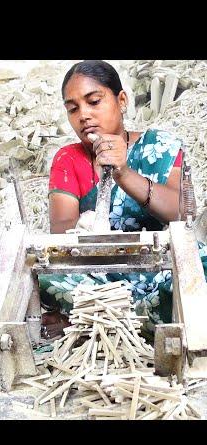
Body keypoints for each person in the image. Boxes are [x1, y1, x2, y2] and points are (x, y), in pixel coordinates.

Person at [41, 59, 207, 335]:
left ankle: (96, 323)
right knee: (48, 279)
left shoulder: (161, 146)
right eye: (73, 108)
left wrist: (124, 173)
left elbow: (182, 214)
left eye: (94, 101)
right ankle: (145, 319)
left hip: (159, 269)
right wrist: (85, 229)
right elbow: (60, 237)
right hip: (98, 278)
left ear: (121, 100)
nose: (83, 115)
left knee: (199, 265)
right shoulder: (68, 159)